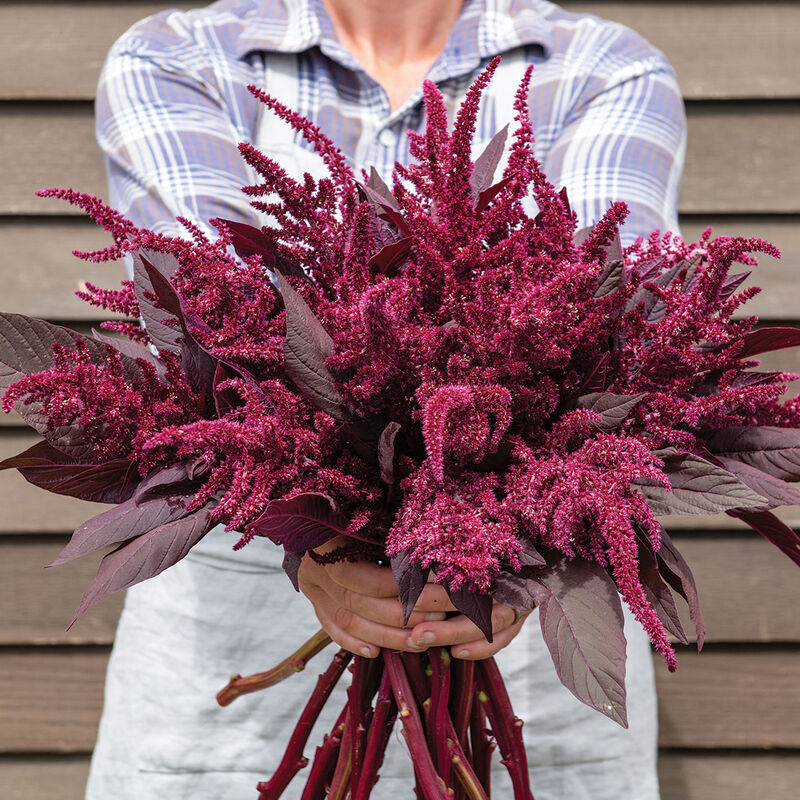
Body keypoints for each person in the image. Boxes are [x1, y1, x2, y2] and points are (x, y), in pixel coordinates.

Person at [86, 1, 686, 798]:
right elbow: (217, 321)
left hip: (530, 643)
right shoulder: (182, 56)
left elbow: (603, 315)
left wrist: (510, 561)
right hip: (234, 655)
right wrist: (320, 546)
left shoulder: (600, 66)